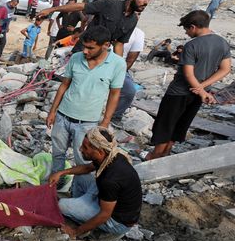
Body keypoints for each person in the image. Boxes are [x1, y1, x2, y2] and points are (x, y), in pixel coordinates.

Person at [46, 25, 126, 193]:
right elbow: (64, 85)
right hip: (62, 116)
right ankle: (55, 185)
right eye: (84, 46)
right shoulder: (76, 58)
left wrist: (105, 122)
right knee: (58, 153)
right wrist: (53, 111)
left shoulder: (117, 63)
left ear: (106, 45)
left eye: (91, 48)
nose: (85, 51)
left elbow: (114, 94)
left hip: (87, 123)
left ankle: (77, 194)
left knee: (82, 160)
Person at [146, 10, 231, 160]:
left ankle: (154, 157)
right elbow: (225, 69)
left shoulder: (192, 45)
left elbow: (188, 74)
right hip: (197, 94)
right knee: (180, 124)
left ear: (193, 27)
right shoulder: (222, 42)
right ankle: (165, 155)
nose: (186, 33)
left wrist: (200, 89)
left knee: (165, 125)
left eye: (186, 29)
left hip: (178, 93)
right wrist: (202, 89)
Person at [49, 127, 142, 238]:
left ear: (99, 151)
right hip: (108, 199)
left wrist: (76, 231)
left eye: (85, 147)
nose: (80, 149)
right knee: (80, 177)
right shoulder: (111, 155)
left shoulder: (109, 180)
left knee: (61, 205)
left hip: (117, 222)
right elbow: (87, 168)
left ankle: (83, 221)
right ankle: (80, 207)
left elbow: (105, 215)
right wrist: (61, 173)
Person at [37, 0, 156, 56]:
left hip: (101, 55)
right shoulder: (111, 4)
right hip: (83, 49)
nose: (146, 2)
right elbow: (81, 6)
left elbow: (119, 45)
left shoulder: (133, 20)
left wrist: (119, 66)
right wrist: (52, 9)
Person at [112, 26, 145, 123]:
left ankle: (115, 116)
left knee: (129, 91)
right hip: (98, 63)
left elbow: (130, 60)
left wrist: (118, 74)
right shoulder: (110, 25)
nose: (136, 16)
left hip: (119, 67)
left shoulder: (138, 33)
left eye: (139, 14)